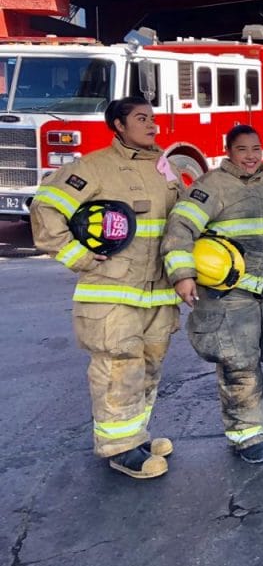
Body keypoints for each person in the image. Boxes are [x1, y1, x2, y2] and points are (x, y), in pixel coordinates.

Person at [30, 96, 183, 479]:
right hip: (113, 293)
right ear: (118, 125)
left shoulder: (164, 168)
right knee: (119, 369)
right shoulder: (94, 167)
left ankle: (136, 435)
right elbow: (46, 207)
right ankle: (118, 448)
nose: (151, 125)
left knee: (148, 367)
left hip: (158, 293)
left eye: (152, 118)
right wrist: (76, 255)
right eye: (141, 119)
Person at [161, 125, 263, 464]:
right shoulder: (211, 187)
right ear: (228, 151)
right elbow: (180, 230)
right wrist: (182, 275)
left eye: (256, 148)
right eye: (242, 149)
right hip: (230, 294)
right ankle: (246, 435)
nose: (250, 156)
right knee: (239, 364)